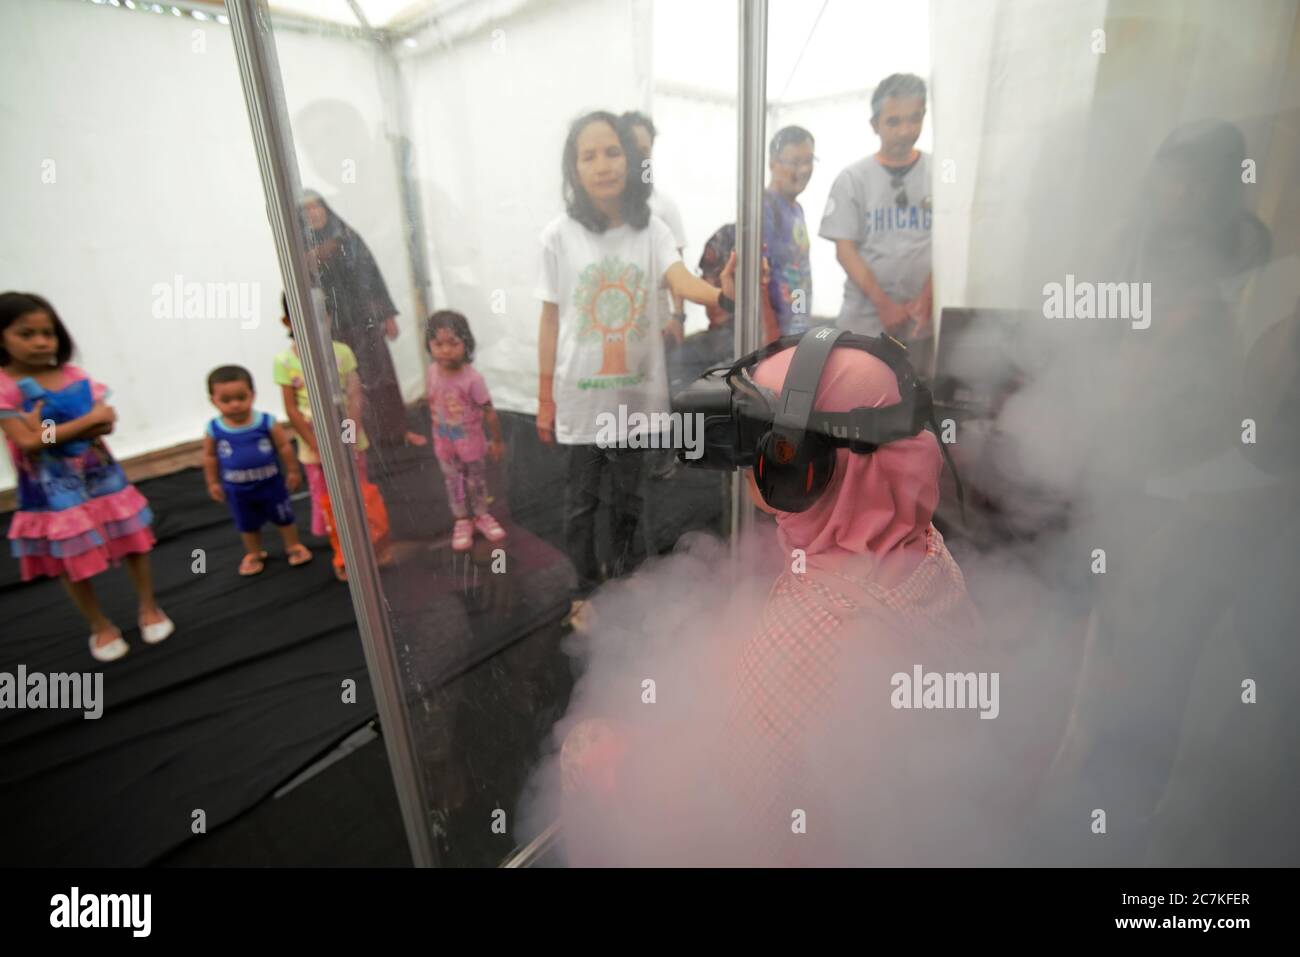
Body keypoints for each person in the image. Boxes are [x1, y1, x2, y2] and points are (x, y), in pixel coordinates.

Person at [536, 110, 736, 596]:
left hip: (634, 405)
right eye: (589, 155)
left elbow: (680, 279)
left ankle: (625, 587)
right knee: (581, 505)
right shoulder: (558, 235)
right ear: (574, 169)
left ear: (630, 160)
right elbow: (550, 319)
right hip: (583, 402)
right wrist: (545, 396)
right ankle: (585, 590)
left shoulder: (653, 231)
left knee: (628, 501)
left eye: (612, 151)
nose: (602, 164)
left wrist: (721, 295)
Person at [0, 292, 173, 661]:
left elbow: (106, 423)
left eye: (47, 332)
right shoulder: (4, 389)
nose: (40, 342)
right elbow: (30, 441)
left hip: (102, 480)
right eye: (26, 334)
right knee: (71, 558)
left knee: (133, 542)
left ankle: (148, 606)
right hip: (54, 494)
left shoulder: (74, 375)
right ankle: (100, 624)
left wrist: (58, 432)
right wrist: (83, 424)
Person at [273, 293, 391, 581]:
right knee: (327, 500)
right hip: (314, 449)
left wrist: (349, 434)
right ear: (287, 321)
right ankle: (342, 553)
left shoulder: (342, 352)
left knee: (358, 494)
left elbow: (354, 394)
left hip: (350, 441)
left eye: (320, 315)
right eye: (303, 318)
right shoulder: (285, 360)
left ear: (328, 317)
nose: (314, 323)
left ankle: (370, 545)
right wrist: (315, 444)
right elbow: (290, 408)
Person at [300, 190, 423, 451]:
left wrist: (387, 315)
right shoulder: (298, 246)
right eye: (307, 209)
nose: (314, 213)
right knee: (345, 386)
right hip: (332, 328)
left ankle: (397, 432)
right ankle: (352, 439)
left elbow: (371, 275)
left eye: (317, 206)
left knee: (382, 377)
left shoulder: (347, 235)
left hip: (364, 320)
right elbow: (305, 280)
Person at [819, 73, 933, 341]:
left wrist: (928, 297)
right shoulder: (853, 179)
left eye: (914, 119)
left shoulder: (939, 173)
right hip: (865, 325)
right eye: (893, 122)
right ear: (874, 124)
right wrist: (884, 304)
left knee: (920, 383)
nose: (905, 131)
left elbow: (950, 245)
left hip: (921, 323)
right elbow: (845, 251)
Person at [203, 365, 312, 575]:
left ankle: (293, 545)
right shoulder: (214, 429)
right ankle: (254, 553)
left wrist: (293, 471)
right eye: (226, 400)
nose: (235, 405)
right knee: (246, 524)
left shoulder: (266, 421)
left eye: (241, 397)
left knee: (284, 517)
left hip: (271, 484)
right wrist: (213, 482)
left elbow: (284, 447)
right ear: (213, 400)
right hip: (238, 490)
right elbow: (209, 457)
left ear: (252, 395)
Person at [424, 309, 507, 552]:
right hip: (444, 445)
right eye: (438, 344)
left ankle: (481, 515)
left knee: (477, 482)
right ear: (429, 345)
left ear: (466, 343)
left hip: (471, 445)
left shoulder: (472, 379)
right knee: (454, 483)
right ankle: (462, 520)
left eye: (453, 343)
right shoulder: (431, 372)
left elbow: (489, 411)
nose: (446, 350)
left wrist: (497, 441)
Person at [621, 112, 689, 332]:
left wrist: (678, 317)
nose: (639, 158)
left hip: (657, 325)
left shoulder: (664, 206)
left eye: (645, 150)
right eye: (632, 149)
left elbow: (678, 270)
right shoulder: (604, 208)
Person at [764, 126, 816, 336]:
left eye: (809, 161)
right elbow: (759, 280)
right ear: (772, 164)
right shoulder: (763, 208)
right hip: (775, 336)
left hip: (797, 330)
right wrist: (770, 333)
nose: (803, 170)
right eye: (795, 162)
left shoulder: (797, 209)